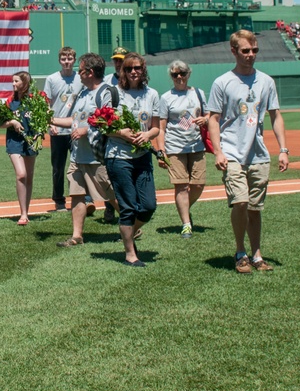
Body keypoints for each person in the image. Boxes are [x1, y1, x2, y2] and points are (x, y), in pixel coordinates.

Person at [207, 30, 290, 273]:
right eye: (245, 51)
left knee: (255, 207)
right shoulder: (223, 82)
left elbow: (275, 116)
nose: (251, 55)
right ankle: (240, 251)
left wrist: (283, 150)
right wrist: (218, 151)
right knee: (240, 202)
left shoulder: (266, 81)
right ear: (234, 51)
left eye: (254, 50)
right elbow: (213, 119)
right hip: (232, 152)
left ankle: (257, 254)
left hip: (259, 154)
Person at [49, 53, 118, 249]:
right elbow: (74, 121)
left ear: (90, 72)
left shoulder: (105, 92)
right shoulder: (82, 93)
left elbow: (108, 121)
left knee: (111, 195)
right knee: (77, 194)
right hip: (78, 156)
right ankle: (77, 235)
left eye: (81, 70)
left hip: (96, 157)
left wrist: (86, 130)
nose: (78, 73)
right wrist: (51, 119)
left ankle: (133, 224)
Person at [104, 52, 161, 267]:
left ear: (143, 69)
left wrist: (147, 135)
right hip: (118, 156)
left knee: (148, 206)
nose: (133, 72)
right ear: (122, 71)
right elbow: (104, 125)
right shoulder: (113, 93)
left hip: (143, 154)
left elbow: (156, 127)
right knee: (128, 206)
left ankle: (128, 233)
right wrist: (122, 133)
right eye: (128, 68)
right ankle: (130, 254)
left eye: (137, 67)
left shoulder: (152, 94)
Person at [157, 60, 209, 239]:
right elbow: (161, 127)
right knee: (181, 186)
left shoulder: (199, 94)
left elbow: (208, 114)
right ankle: (186, 224)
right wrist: (161, 150)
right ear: (171, 77)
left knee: (199, 184)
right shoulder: (166, 97)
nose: (179, 77)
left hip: (196, 145)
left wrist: (206, 119)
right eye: (175, 74)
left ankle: (185, 208)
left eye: (182, 73)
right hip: (174, 147)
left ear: (189, 74)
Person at [43, 47, 78, 212]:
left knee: (78, 165)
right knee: (58, 167)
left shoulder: (80, 78)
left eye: (70, 58)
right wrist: (51, 124)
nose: (67, 62)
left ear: (74, 60)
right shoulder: (51, 79)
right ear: (59, 60)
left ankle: (81, 199)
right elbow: (46, 104)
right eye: (64, 59)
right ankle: (59, 200)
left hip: (75, 130)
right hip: (58, 131)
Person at [3, 71, 39, 225]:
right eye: (13, 81)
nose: (13, 84)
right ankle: (22, 213)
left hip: (31, 141)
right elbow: (0, 123)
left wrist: (39, 133)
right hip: (14, 141)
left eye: (16, 81)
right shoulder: (10, 101)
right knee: (21, 174)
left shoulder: (35, 101)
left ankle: (26, 212)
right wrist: (12, 122)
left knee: (29, 177)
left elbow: (42, 120)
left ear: (25, 83)